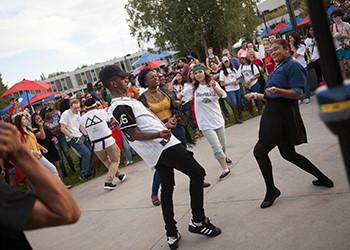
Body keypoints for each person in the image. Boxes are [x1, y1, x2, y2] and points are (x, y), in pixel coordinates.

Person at [99, 65, 221, 249]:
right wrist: (159, 135)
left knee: (168, 187)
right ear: (114, 82)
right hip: (163, 147)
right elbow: (133, 133)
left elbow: (145, 125)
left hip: (158, 148)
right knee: (197, 173)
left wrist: (165, 125)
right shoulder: (119, 105)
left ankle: (171, 232)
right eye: (123, 79)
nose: (127, 81)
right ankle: (198, 220)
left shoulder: (126, 101)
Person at [245, 39, 334, 209]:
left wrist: (278, 91)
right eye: (271, 50)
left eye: (277, 49)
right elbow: (272, 95)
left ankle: (271, 190)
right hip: (273, 113)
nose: (273, 53)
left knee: (259, 151)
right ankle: (323, 178)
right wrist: (257, 96)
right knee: (288, 154)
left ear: (287, 49)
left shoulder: (293, 66)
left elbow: (297, 93)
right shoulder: (279, 66)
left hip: (280, 117)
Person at [0, 121, 80, 249]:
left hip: (38, 153)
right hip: (34, 156)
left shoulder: (30, 130)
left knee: (53, 169)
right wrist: (19, 152)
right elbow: (67, 212)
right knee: (52, 170)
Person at [193, 64, 232, 179]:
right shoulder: (193, 88)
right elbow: (180, 95)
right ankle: (225, 169)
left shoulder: (213, 84)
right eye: (195, 73)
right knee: (216, 146)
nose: (198, 74)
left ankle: (224, 157)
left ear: (204, 72)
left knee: (222, 145)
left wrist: (214, 87)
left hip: (217, 119)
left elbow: (222, 95)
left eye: (200, 72)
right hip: (204, 123)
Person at [80, 98, 126, 190]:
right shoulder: (102, 112)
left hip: (96, 145)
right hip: (108, 140)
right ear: (95, 105)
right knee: (115, 161)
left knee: (106, 161)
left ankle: (119, 175)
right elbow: (110, 120)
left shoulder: (82, 119)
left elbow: (84, 131)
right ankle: (108, 181)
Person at [60, 99, 92, 181]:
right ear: (70, 106)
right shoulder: (65, 114)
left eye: (78, 107)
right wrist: (73, 137)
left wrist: (86, 134)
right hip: (72, 137)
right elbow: (62, 129)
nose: (77, 110)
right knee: (86, 154)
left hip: (80, 134)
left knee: (90, 152)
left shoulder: (78, 112)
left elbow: (80, 125)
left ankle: (88, 172)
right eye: (75, 108)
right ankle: (83, 174)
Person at [289, 31, 310, 104]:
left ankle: (307, 96)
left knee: (305, 82)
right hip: (294, 68)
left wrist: (292, 46)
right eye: (289, 38)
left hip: (302, 66)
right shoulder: (289, 47)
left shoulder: (301, 46)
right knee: (296, 84)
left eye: (291, 38)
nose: (290, 39)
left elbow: (295, 55)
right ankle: (299, 98)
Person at [220, 56, 243, 124]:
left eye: (227, 61)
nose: (227, 63)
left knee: (239, 102)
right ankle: (237, 118)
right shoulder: (222, 72)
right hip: (230, 89)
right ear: (223, 63)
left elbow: (239, 77)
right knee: (234, 103)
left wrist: (237, 82)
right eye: (225, 62)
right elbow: (222, 83)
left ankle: (240, 116)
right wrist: (230, 83)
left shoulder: (233, 69)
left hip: (237, 87)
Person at [331, 9, 350, 78]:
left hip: (347, 47)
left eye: (335, 16)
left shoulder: (346, 24)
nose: (334, 18)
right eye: (332, 17)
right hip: (338, 48)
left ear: (340, 16)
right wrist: (334, 36)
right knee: (341, 69)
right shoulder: (332, 26)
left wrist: (344, 35)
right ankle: (344, 84)